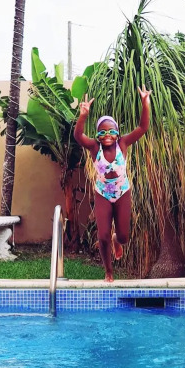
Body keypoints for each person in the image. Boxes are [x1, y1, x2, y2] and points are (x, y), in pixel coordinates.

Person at [74, 85, 151, 282]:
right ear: (97, 135)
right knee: (103, 236)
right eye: (102, 132)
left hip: (122, 192)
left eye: (111, 131)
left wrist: (145, 103)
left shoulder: (122, 144)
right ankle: (108, 271)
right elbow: (78, 136)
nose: (107, 135)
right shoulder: (94, 147)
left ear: (117, 133)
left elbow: (142, 128)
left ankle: (118, 240)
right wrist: (83, 115)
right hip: (103, 194)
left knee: (123, 236)